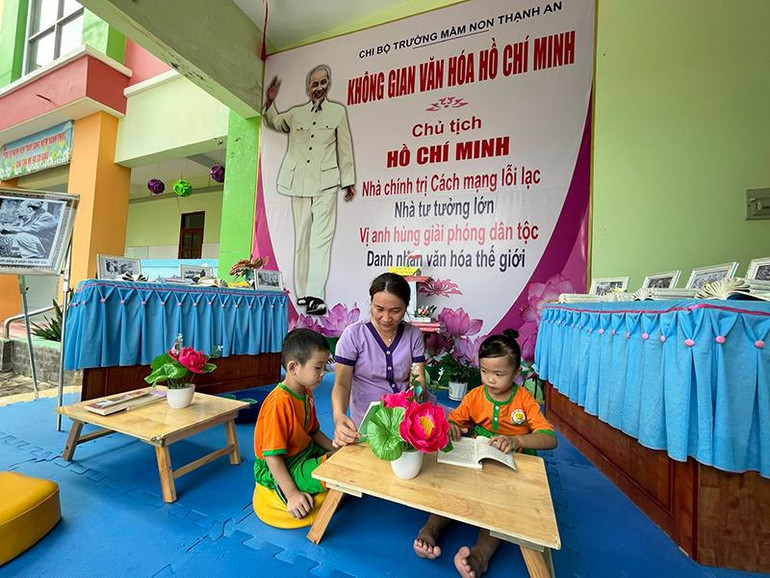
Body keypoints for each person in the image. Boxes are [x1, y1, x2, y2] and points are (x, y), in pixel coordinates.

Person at [413, 329, 557, 578]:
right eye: (484, 371)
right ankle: (430, 530)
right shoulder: (475, 396)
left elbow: (549, 438)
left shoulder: (524, 399)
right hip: (477, 458)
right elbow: (455, 421)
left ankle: (480, 556)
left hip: (515, 463)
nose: (490, 379)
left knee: (501, 507)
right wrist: (455, 428)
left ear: (516, 373)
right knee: (451, 487)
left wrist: (517, 439)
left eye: (499, 374)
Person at [262, 65, 356, 316]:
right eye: (314, 84)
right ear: (307, 88)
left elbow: (344, 147)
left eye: (323, 83)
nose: (319, 88)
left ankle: (316, 295)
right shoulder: (296, 114)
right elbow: (275, 122)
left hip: (326, 182)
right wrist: (270, 102)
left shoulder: (337, 112)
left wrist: (348, 180)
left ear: (329, 83)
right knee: (302, 238)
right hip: (299, 183)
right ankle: (303, 294)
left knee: (321, 239)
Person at [332, 272, 427, 446]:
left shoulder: (414, 335)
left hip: (405, 417)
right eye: (379, 309)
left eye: (395, 311)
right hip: (368, 423)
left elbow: (417, 378)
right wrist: (339, 417)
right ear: (371, 304)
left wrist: (416, 399)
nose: (386, 318)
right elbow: (342, 384)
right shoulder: (353, 335)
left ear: (406, 306)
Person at [253, 328, 335, 520]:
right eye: (318, 367)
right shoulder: (279, 403)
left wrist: (336, 448)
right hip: (281, 463)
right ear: (293, 368)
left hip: (303, 450)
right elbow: (273, 457)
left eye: (325, 367)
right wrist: (292, 494)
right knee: (331, 472)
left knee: (341, 460)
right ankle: (282, 490)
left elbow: (313, 431)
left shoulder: (306, 392)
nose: (323, 373)